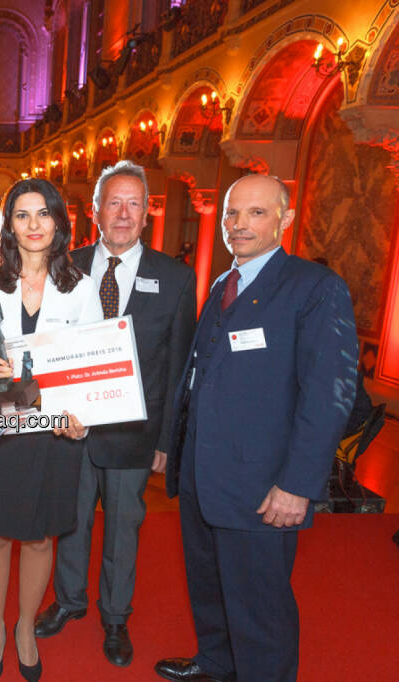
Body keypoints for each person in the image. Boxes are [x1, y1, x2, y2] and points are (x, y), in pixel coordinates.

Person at [155, 174, 359, 682]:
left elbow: (329, 395)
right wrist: (173, 448)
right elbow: (201, 374)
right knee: (210, 585)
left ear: (285, 220)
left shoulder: (314, 288)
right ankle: (217, 665)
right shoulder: (225, 285)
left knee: (259, 606)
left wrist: (297, 484)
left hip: (264, 485)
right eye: (231, 214)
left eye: (256, 213)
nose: (239, 225)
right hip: (204, 475)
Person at [35, 161, 196, 668]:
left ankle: (115, 616)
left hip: (134, 431)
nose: (123, 214)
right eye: (114, 202)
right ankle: (69, 601)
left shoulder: (174, 277)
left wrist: (168, 441)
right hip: (71, 427)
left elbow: (177, 367)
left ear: (147, 214)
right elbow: (48, 345)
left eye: (134, 204)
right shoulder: (67, 266)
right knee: (71, 520)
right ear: (95, 210)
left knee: (124, 525)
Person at [0, 178, 101, 681]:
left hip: (53, 428)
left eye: (44, 214)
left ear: (60, 222)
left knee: (41, 538)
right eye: (22, 215)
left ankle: (24, 626)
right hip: (2, 425)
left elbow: (90, 364)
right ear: (9, 225)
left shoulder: (82, 288)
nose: (34, 224)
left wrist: (79, 414)